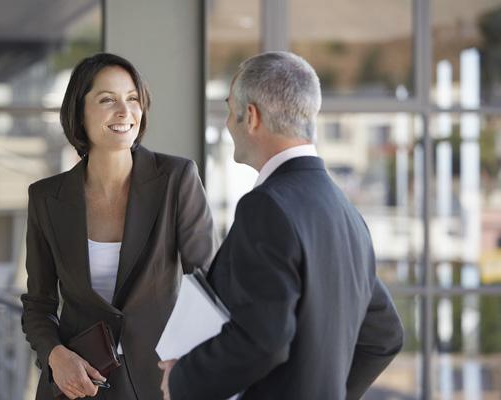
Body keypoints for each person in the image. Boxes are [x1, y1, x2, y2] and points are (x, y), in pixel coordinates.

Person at [158, 51, 404, 400]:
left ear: (252, 117)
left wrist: (182, 380)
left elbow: (264, 339)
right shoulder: (346, 212)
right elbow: (384, 334)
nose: (229, 123)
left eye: (231, 110)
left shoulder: (267, 207)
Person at [21, 53, 216, 400]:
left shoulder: (176, 179)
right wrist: (56, 356)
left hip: (160, 384)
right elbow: (39, 304)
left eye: (133, 99)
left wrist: (188, 362)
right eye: (107, 100)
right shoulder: (46, 197)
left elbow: (206, 285)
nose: (125, 112)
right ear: (79, 112)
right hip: (76, 386)